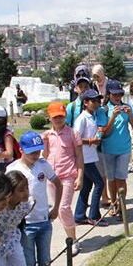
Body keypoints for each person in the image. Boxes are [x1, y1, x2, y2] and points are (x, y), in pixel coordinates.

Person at [7, 131, 62, 266]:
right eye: (31, 152)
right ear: (21, 149)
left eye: (38, 151)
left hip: (43, 220)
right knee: (29, 263)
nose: (35, 155)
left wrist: (55, 208)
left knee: (45, 260)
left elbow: (57, 182)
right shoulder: (13, 169)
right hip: (26, 224)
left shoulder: (43, 165)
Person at [43, 102, 83, 255]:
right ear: (50, 118)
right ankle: (70, 236)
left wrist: (80, 176)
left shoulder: (73, 133)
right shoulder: (48, 135)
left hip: (68, 176)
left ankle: (73, 240)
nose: (58, 119)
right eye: (55, 117)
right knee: (57, 210)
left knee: (63, 208)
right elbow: (45, 156)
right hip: (52, 177)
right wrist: (45, 142)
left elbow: (79, 156)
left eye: (60, 116)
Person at [98, 79, 133, 218]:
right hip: (108, 149)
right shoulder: (104, 110)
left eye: (120, 94)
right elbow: (105, 132)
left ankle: (122, 205)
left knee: (121, 179)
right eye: (115, 94)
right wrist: (113, 117)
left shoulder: (127, 107)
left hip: (124, 149)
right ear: (108, 94)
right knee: (111, 179)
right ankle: (114, 203)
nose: (118, 97)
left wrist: (130, 115)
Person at [72, 89, 106, 226]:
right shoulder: (82, 118)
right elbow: (76, 138)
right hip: (84, 157)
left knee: (87, 186)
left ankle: (80, 215)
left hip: (90, 156)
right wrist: (90, 141)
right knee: (99, 183)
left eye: (98, 101)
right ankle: (94, 215)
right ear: (85, 103)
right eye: (94, 101)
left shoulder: (93, 116)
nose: (97, 103)